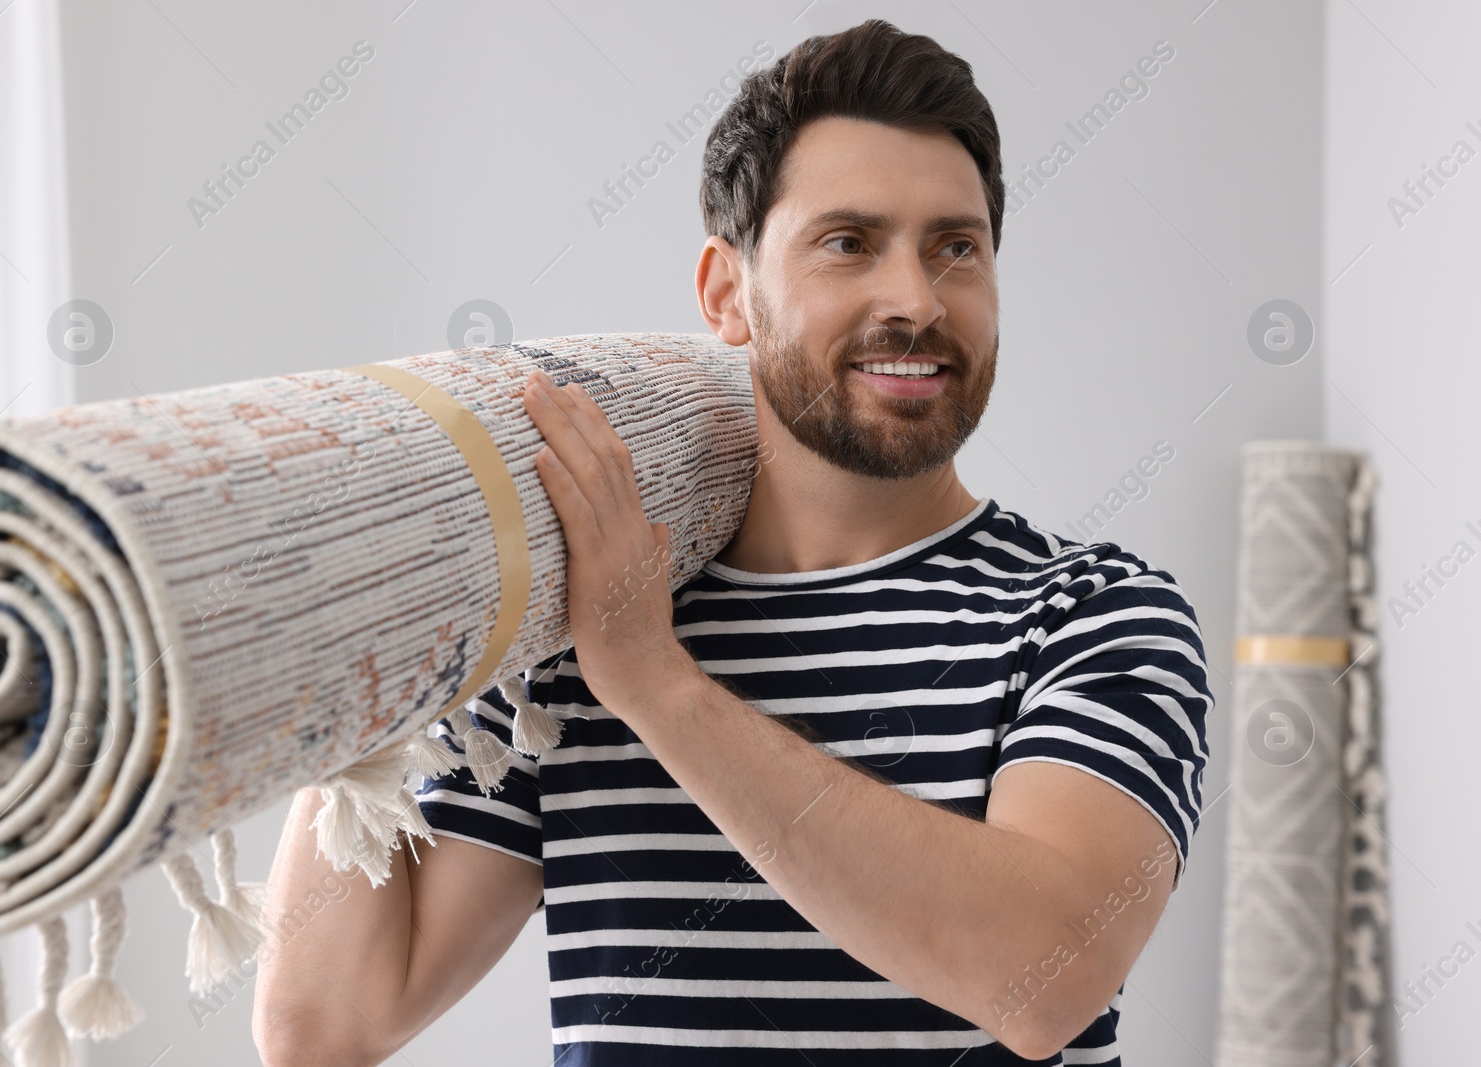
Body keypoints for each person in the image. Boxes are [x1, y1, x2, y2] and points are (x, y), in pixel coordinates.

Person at [253, 18, 1211, 1066]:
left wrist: (657, 685)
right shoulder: (580, 624)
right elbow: (326, 1024)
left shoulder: (1093, 614)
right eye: (848, 242)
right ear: (725, 293)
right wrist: (380, 599)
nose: (916, 300)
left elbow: (1045, 977)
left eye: (956, 247)